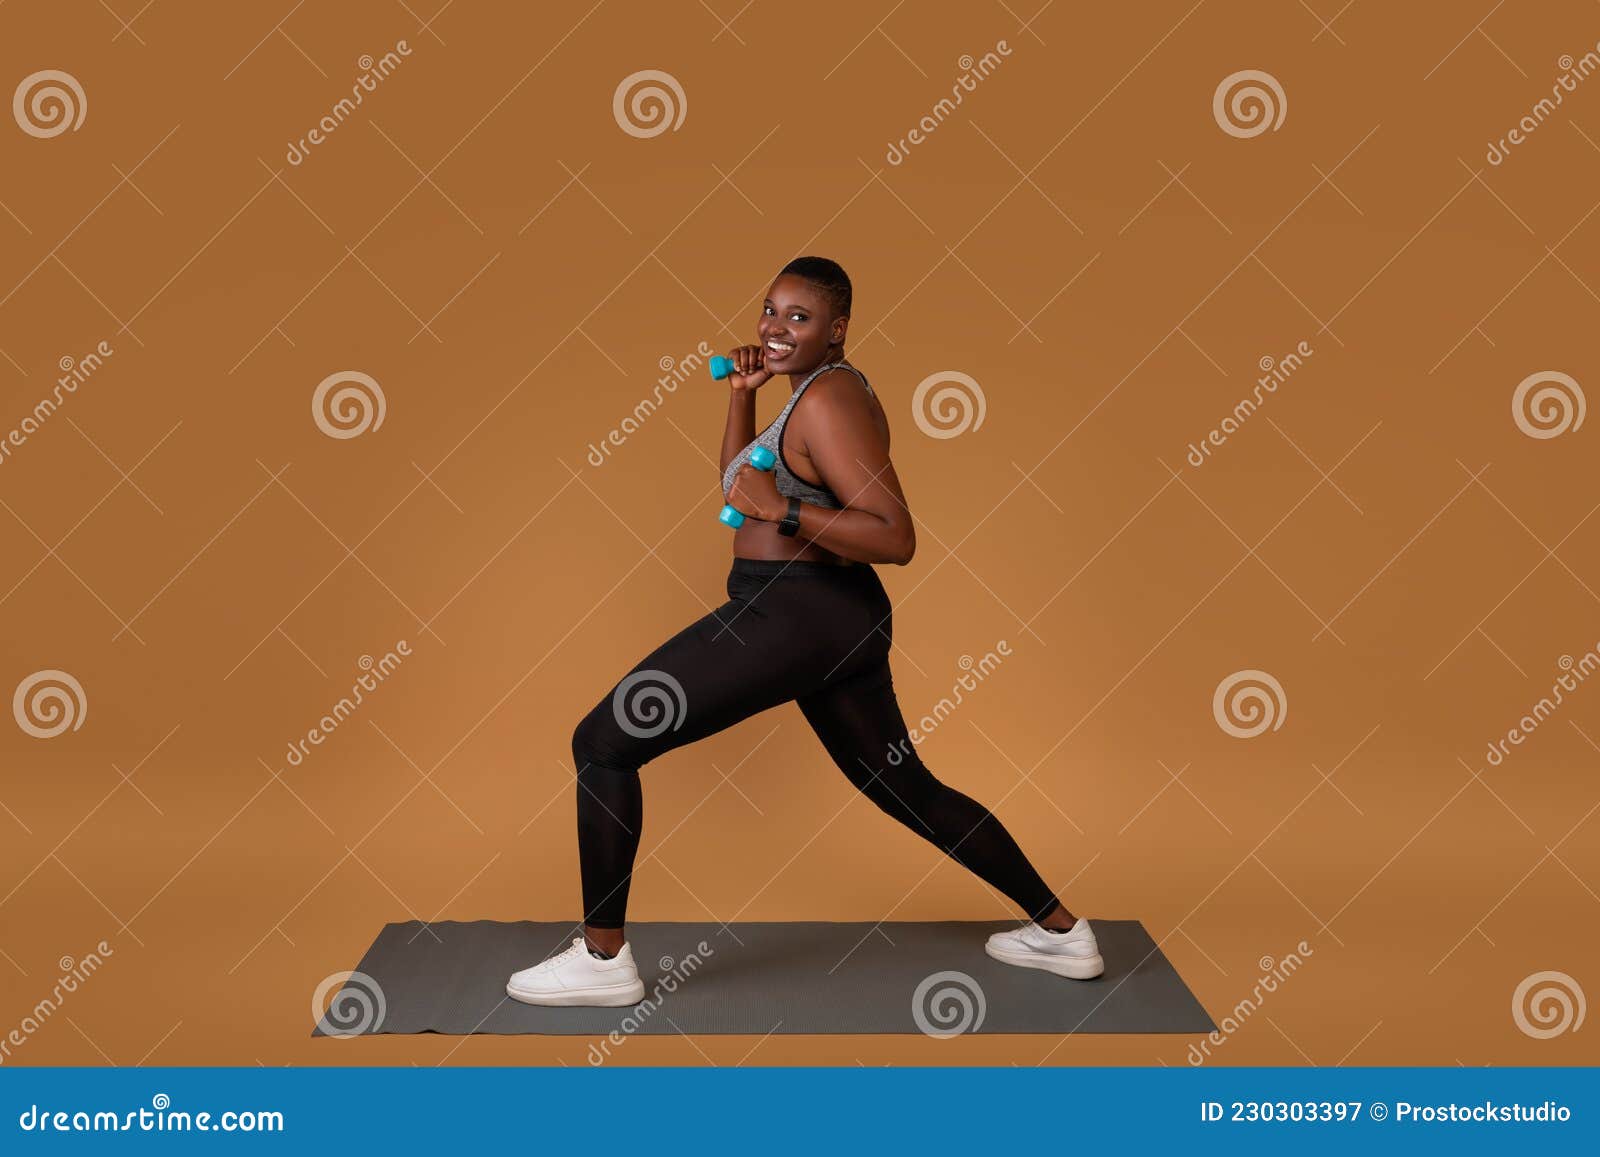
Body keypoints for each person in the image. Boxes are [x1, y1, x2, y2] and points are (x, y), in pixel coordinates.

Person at [507, 256, 1102, 1007]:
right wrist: (741, 399)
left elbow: (894, 534)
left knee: (603, 741)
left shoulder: (830, 400)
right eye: (770, 311)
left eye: (800, 317)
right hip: (824, 619)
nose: (776, 329)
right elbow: (739, 485)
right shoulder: (807, 395)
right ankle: (1061, 932)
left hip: (796, 613)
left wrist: (782, 512)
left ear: (838, 328)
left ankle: (601, 959)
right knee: (902, 785)